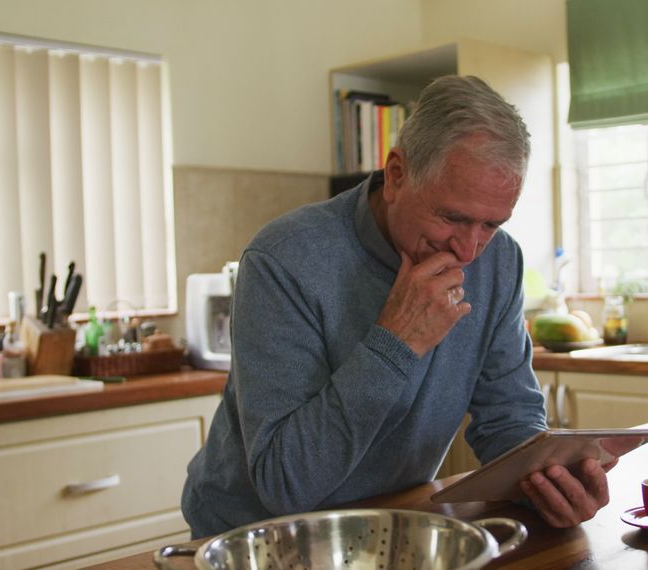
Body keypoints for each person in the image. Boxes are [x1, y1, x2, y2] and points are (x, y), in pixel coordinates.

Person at [181, 75, 612, 538]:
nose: (469, 251)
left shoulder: (501, 261)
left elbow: (509, 418)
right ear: (396, 175)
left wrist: (548, 481)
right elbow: (286, 484)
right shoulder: (284, 261)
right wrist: (397, 340)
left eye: (491, 223)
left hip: (396, 525)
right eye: (452, 217)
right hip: (256, 536)